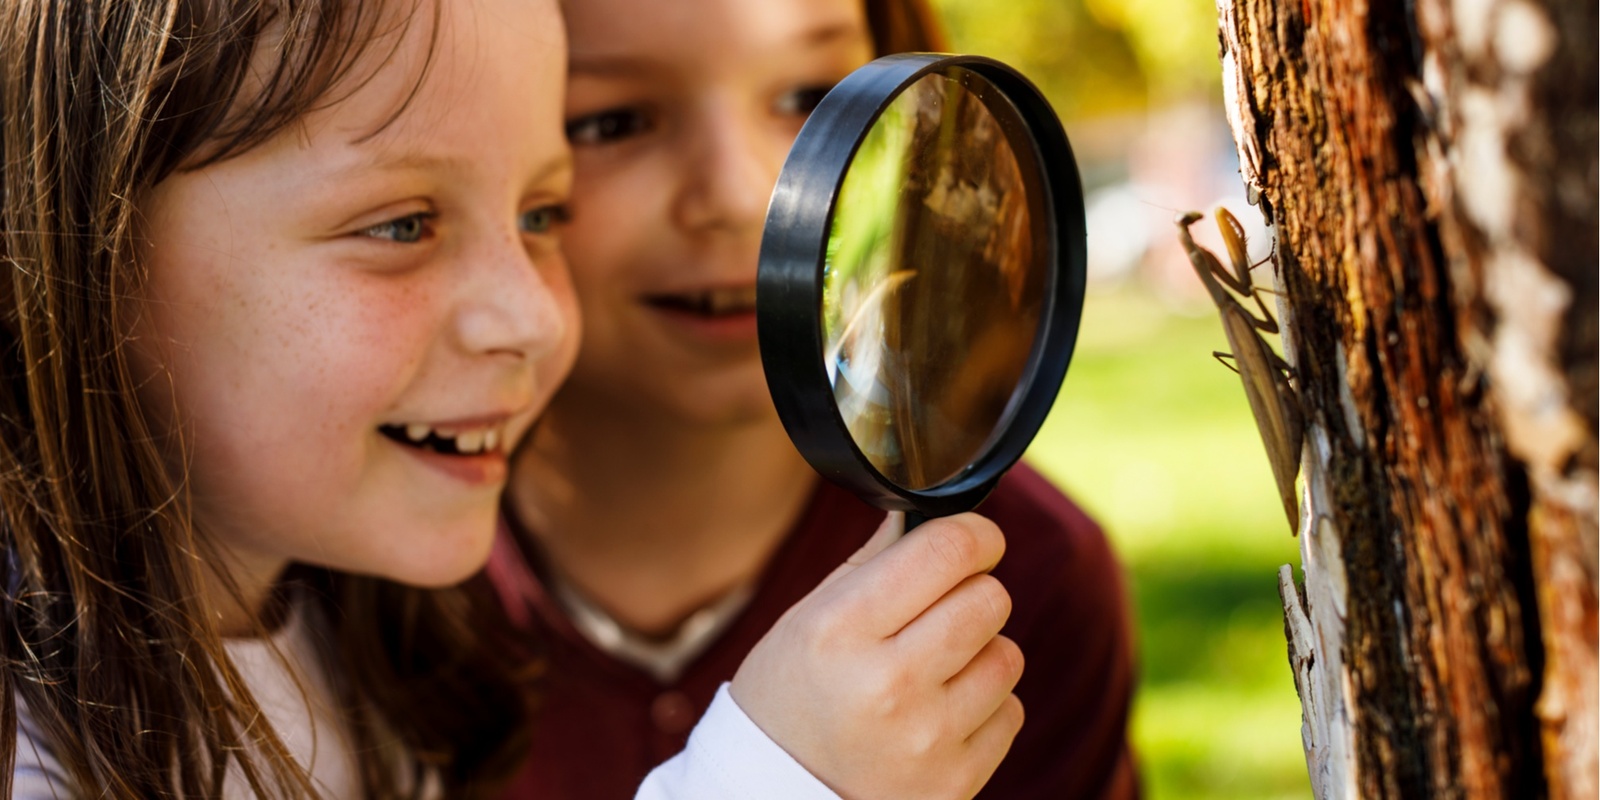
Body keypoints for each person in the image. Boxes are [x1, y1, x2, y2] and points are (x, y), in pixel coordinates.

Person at [0, 0, 1024, 797]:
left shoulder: (366, 652)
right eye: (401, 225)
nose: (533, 317)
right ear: (69, 247)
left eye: (542, 213)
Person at [493, 0, 1141, 797]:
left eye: (810, 99)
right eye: (614, 121)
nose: (738, 193)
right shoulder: (341, 584)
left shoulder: (1014, 590)